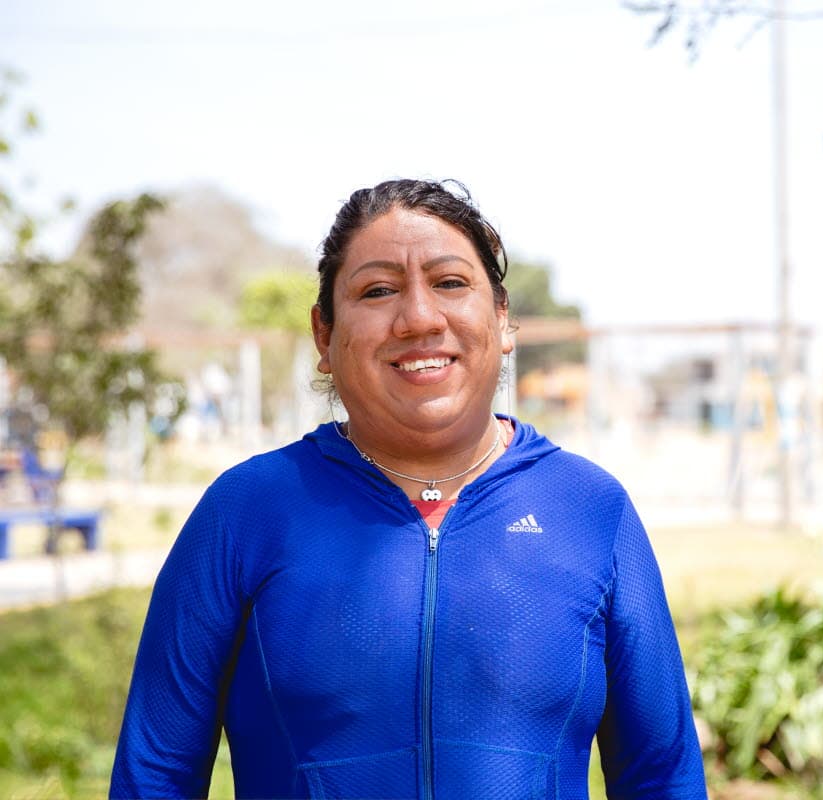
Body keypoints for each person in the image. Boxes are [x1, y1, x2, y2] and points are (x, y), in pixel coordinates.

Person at [110, 179, 707, 800]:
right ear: (324, 335)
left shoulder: (590, 510)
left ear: (503, 319)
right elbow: (154, 778)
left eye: (450, 283)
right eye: (378, 290)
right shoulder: (246, 512)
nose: (420, 317)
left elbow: (663, 778)